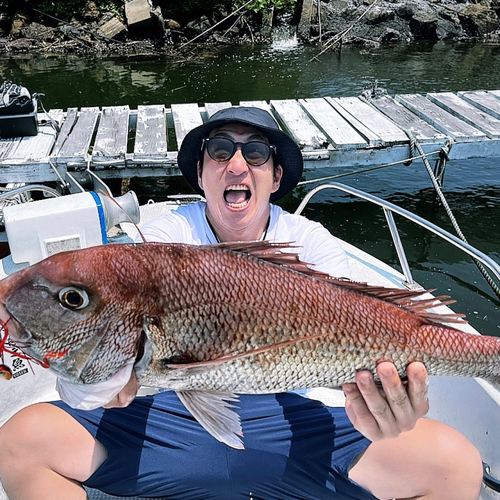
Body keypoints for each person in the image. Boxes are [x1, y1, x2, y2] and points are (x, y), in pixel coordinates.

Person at [0, 106, 483, 500]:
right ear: (201, 174)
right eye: (219, 151)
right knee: (18, 444)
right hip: (172, 424)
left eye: (255, 153)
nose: (237, 164)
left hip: (297, 424)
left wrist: (383, 411)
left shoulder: (310, 241)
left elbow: (369, 325)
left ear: (275, 177)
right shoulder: (164, 240)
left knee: (456, 466)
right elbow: (107, 352)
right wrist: (96, 389)